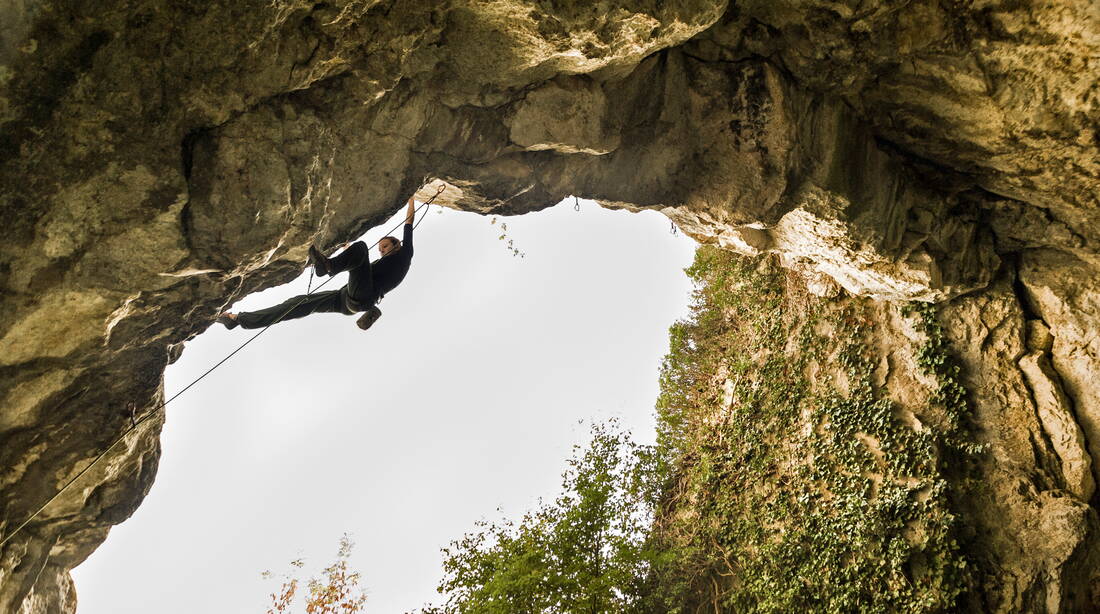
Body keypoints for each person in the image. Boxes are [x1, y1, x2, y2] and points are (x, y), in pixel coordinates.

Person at [218, 196, 417, 331]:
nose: (381, 250)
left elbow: (409, 224)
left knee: (362, 248)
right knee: (296, 304)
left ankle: (328, 267)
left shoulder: (405, 254)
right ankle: (238, 320)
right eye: (380, 248)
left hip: (363, 297)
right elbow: (358, 267)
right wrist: (346, 247)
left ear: (396, 244)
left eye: (384, 246)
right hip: (345, 301)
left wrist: (411, 199)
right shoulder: (381, 265)